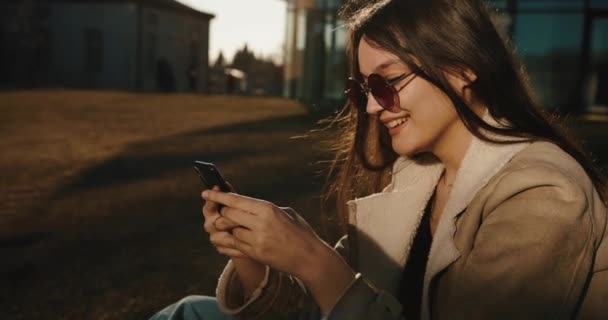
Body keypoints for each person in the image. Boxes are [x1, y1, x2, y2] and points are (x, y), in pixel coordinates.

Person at [150, 0, 608, 319]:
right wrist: (252, 253)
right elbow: (321, 307)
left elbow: (333, 288)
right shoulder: (418, 180)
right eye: (364, 89)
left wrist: (312, 258)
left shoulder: (542, 193)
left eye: (387, 83)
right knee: (190, 312)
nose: (371, 107)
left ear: (465, 69)